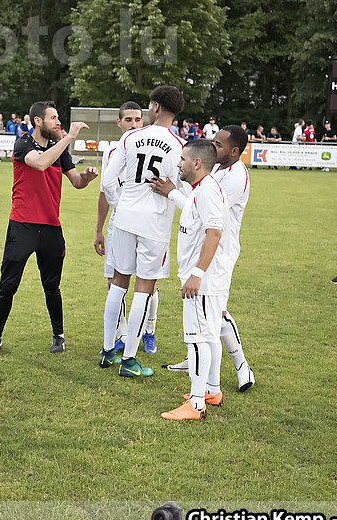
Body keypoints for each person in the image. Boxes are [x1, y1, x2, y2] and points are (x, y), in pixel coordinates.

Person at [0, 100, 98, 358]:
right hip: (22, 226)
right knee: (8, 285)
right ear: (38, 121)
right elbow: (41, 163)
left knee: (52, 286)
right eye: (53, 118)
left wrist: (87, 178)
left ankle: (59, 336)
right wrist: (70, 137)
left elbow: (76, 182)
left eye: (58, 118)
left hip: (51, 228)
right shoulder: (23, 144)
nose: (58, 122)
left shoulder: (58, 148)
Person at [160, 126, 255, 396]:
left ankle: (239, 367)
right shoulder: (214, 174)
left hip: (217, 255)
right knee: (207, 325)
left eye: (219, 144)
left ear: (234, 151)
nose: (214, 146)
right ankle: (205, 378)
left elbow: (207, 219)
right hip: (205, 253)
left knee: (214, 318)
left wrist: (172, 193)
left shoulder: (234, 178)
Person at [97, 85, 184, 377]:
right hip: (154, 224)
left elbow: (108, 182)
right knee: (144, 288)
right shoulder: (180, 145)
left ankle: (108, 351)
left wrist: (120, 205)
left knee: (118, 283)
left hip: (124, 218)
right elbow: (183, 192)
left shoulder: (129, 137)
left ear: (156, 107)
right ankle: (130, 360)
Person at [153, 139, 228, 420]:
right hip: (206, 278)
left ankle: (196, 403)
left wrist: (197, 274)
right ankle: (212, 390)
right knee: (209, 337)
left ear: (197, 163)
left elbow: (214, 233)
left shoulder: (207, 191)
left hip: (202, 281)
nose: (178, 164)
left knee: (197, 339)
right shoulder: (201, 189)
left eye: (183, 159)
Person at [95, 101, 158, 362]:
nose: (134, 124)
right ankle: (121, 333)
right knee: (114, 282)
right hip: (117, 225)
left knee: (148, 283)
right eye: (128, 120)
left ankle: (149, 331)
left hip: (145, 224)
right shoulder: (111, 152)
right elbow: (104, 190)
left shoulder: (152, 147)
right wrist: (99, 229)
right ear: (119, 122)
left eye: (138, 119)